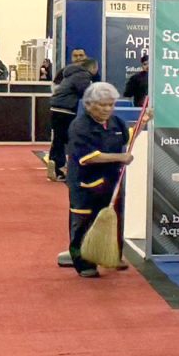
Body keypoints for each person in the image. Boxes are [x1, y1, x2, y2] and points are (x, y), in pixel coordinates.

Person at [63, 81, 146, 277]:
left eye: (111, 104)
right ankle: (84, 263)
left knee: (113, 220)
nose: (107, 109)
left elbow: (128, 137)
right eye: (102, 105)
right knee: (83, 223)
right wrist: (120, 157)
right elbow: (88, 157)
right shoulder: (79, 126)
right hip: (86, 185)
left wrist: (143, 122)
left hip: (111, 182)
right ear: (89, 105)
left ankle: (110, 256)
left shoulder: (116, 123)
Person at [46, 50, 96, 183]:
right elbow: (86, 93)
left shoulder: (68, 73)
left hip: (56, 108)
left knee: (58, 139)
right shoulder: (83, 75)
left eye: (81, 55)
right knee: (75, 139)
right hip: (68, 110)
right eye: (76, 55)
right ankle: (73, 168)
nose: (78, 58)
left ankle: (55, 165)